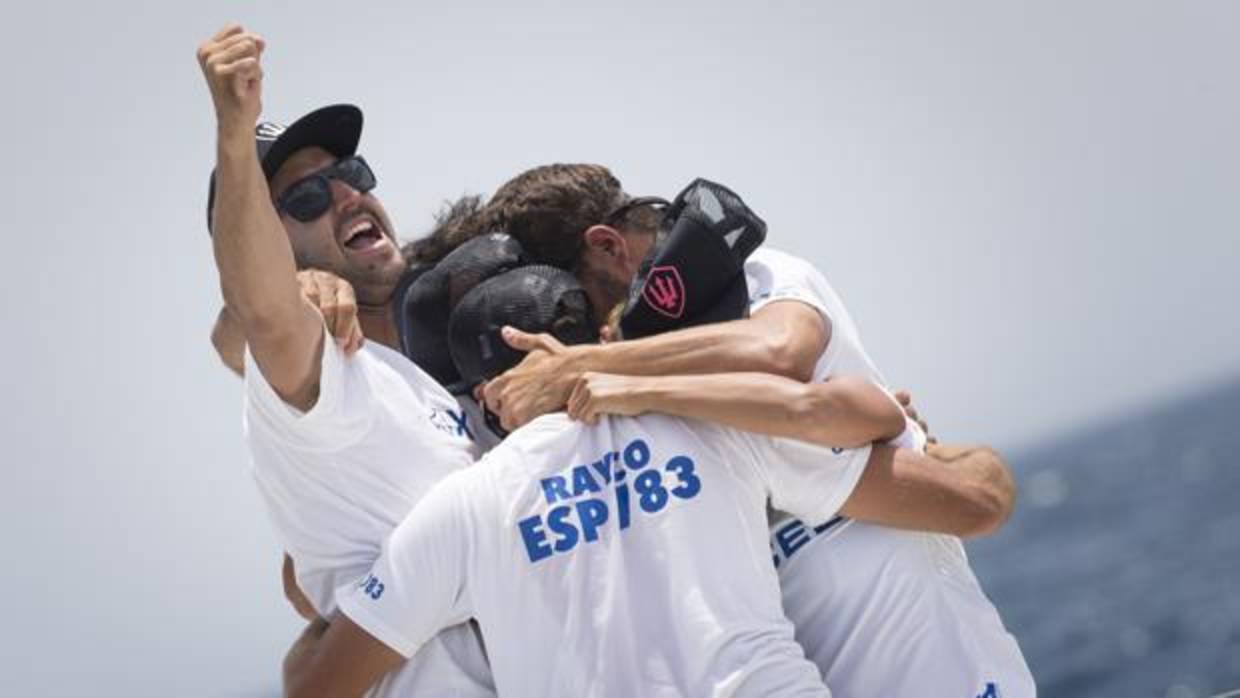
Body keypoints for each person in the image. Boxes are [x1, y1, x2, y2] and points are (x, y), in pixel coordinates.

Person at [282, 262, 1011, 698]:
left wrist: (313, 616)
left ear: (478, 397)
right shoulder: (713, 422)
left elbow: (320, 687)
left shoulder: (461, 511)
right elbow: (889, 438)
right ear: (601, 338)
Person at [466, 164, 1036, 696]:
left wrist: (589, 369)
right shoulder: (624, 400)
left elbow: (781, 351)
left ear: (609, 248)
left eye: (573, 298)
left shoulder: (759, 278)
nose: (582, 329)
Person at [196, 24, 494, 696]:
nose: (345, 195)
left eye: (349, 174)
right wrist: (233, 134)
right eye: (304, 198)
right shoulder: (321, 377)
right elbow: (255, 316)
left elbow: (308, 588)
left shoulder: (457, 327)